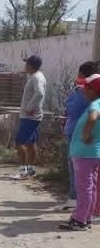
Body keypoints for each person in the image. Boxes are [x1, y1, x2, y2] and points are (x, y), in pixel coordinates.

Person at [59, 73, 100, 231]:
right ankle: (86, 217)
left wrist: (86, 133)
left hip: (85, 154)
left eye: (86, 88)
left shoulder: (95, 104)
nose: (82, 91)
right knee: (91, 188)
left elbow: (93, 116)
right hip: (92, 154)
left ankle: (79, 220)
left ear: (93, 90)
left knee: (84, 188)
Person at [11, 55, 46, 180]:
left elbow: (40, 93)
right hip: (33, 116)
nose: (25, 66)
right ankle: (30, 170)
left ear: (31, 65)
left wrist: (29, 108)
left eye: (26, 64)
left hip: (29, 116)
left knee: (19, 143)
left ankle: (23, 172)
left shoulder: (36, 77)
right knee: (31, 143)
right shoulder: (37, 75)